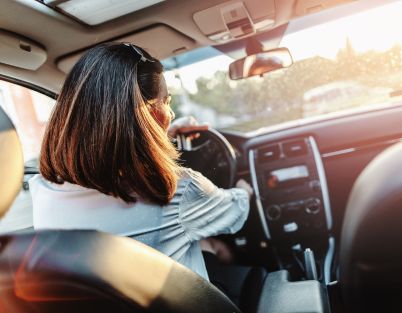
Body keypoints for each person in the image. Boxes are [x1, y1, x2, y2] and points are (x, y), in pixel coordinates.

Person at [29, 42, 253, 281]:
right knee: (214, 245)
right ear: (145, 115)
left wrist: (163, 135)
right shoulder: (173, 190)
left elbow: (113, 149)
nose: (171, 113)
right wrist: (244, 189)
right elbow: (235, 213)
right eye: (166, 101)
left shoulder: (42, 190)